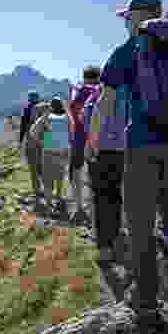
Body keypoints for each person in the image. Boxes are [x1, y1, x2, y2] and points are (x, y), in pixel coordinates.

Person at [95, 0, 168, 330]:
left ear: (138, 17)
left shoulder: (128, 50)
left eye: (127, 17)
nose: (126, 23)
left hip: (143, 144)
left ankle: (146, 300)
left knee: (140, 221)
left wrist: (94, 142)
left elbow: (106, 101)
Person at [84, 82, 130, 261]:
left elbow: (87, 118)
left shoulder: (96, 96)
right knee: (117, 194)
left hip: (100, 152)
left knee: (101, 198)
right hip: (124, 151)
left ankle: (105, 248)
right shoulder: (128, 93)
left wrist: (90, 146)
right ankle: (116, 237)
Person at [67, 66, 102, 226]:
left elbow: (73, 115)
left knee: (75, 173)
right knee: (98, 177)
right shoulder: (102, 91)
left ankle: (79, 208)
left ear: (85, 77)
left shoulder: (81, 93)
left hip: (80, 140)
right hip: (101, 141)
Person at [29, 96, 71, 209]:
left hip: (48, 151)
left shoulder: (46, 118)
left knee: (48, 178)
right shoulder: (67, 118)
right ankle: (58, 197)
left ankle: (49, 203)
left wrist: (41, 141)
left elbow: (32, 132)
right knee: (60, 176)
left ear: (51, 107)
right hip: (63, 151)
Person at [19, 91, 44, 195]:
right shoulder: (44, 108)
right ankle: (48, 187)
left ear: (29, 99)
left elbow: (24, 125)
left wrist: (21, 139)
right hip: (43, 140)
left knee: (33, 165)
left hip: (31, 139)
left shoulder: (27, 108)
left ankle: (36, 189)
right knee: (42, 165)